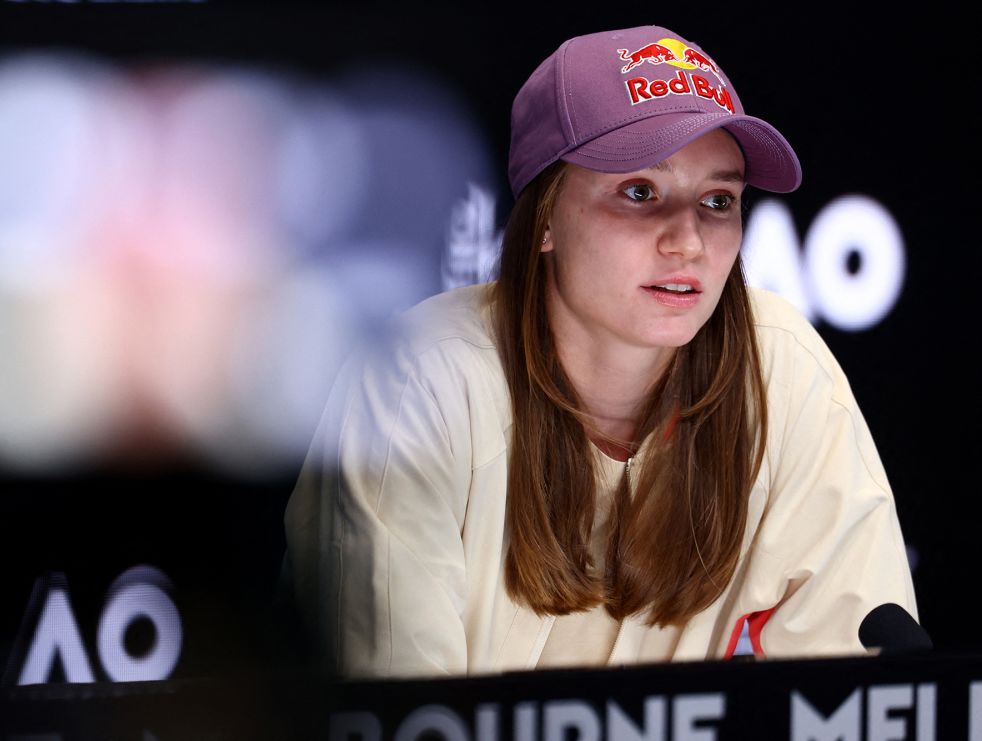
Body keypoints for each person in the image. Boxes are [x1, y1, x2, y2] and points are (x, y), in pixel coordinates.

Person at [282, 25, 919, 678]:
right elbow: (405, 719)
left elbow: (866, 693)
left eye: (718, 200)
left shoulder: (781, 365)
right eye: (640, 192)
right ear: (546, 219)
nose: (689, 241)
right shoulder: (418, 384)